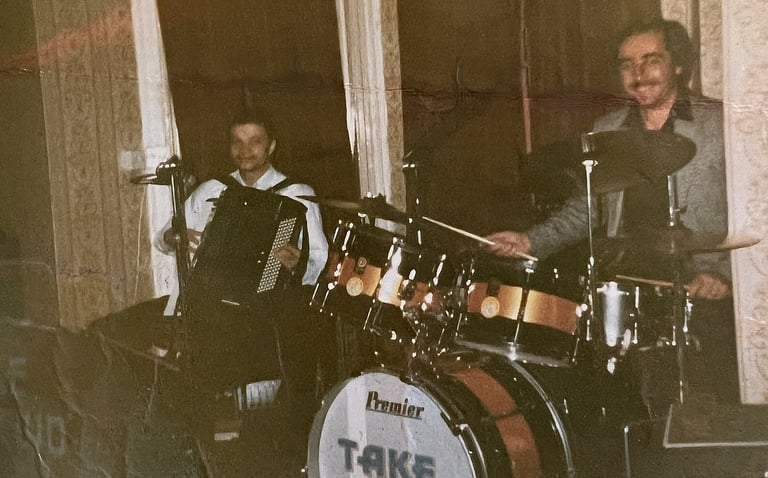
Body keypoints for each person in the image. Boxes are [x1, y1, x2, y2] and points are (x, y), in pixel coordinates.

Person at [485, 19, 737, 403]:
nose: (638, 74)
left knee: (704, 413)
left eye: (651, 60)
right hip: (627, 292)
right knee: (626, 405)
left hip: (701, 291)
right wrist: (529, 239)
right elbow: (584, 213)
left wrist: (723, 276)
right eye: (626, 65)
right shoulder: (608, 130)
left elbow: (753, 211)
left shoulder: (721, 125)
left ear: (678, 65)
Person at [155, 107, 329, 458]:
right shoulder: (211, 190)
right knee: (207, 410)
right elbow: (162, 238)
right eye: (237, 141)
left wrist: (298, 265)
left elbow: (319, 261)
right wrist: (177, 235)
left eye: (255, 141)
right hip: (213, 313)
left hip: (269, 316)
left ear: (271, 146)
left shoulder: (298, 194)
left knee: (264, 420)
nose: (245, 149)